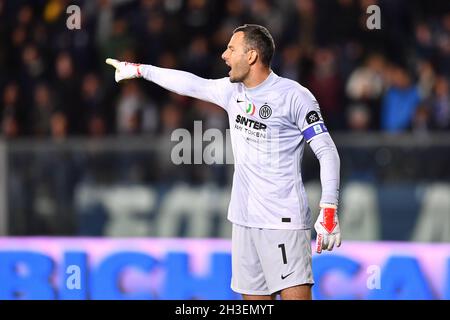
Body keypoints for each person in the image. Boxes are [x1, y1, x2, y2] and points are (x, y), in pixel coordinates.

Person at [106, 24, 341, 300]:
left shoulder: (295, 96)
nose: (224, 55)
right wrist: (139, 70)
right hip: (243, 220)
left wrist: (328, 208)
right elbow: (190, 83)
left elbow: (327, 151)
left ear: (251, 56)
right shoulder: (232, 92)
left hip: (283, 221)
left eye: (231, 49)